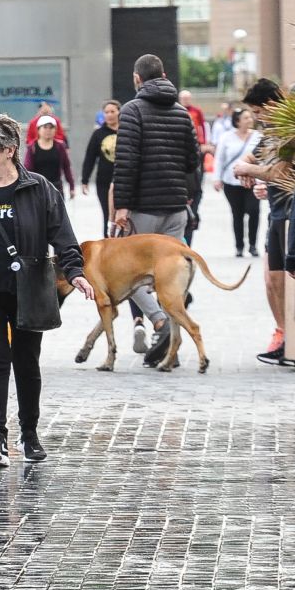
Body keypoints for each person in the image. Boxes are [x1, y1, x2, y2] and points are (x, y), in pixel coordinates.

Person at [0, 115, 94, 468]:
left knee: (27, 364)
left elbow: (63, 237)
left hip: (30, 291)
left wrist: (76, 273)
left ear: (9, 150)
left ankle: (30, 434)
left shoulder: (40, 189)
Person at [110, 53, 201, 369]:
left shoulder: (132, 111)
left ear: (137, 79)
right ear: (163, 74)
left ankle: (160, 321)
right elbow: (193, 161)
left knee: (128, 277)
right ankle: (170, 347)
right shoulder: (181, 112)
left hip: (144, 209)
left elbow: (126, 163)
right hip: (177, 208)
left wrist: (121, 206)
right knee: (169, 279)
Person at [232, 79, 290, 364]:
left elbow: (278, 172)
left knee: (286, 276)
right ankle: (282, 333)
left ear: (269, 106)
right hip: (276, 211)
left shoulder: (287, 130)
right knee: (272, 279)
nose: (254, 118)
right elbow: (252, 156)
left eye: (256, 112)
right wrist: (249, 169)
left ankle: (289, 337)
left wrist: (248, 169)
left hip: (289, 212)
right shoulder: (270, 131)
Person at [214, 108, 262, 258]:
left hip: (253, 181)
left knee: (254, 211)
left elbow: (262, 158)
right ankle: (239, 246)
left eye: (250, 117)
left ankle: (253, 245)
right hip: (231, 181)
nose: (250, 120)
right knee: (237, 214)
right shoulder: (226, 137)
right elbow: (219, 159)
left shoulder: (258, 136)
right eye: (246, 118)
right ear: (237, 121)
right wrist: (217, 178)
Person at [81, 100, 121, 237]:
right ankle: (108, 240)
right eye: (106, 112)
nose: (109, 115)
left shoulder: (127, 131)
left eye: (112, 111)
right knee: (107, 213)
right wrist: (84, 180)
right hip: (104, 181)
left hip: (124, 180)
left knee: (123, 214)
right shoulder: (98, 134)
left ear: (119, 112)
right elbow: (90, 157)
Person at [24, 114, 76, 198]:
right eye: (45, 127)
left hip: (56, 188)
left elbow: (66, 167)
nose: (48, 130)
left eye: (51, 127)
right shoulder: (32, 147)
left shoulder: (60, 146)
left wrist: (72, 186)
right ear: (38, 129)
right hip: (37, 189)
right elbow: (27, 169)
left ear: (55, 130)